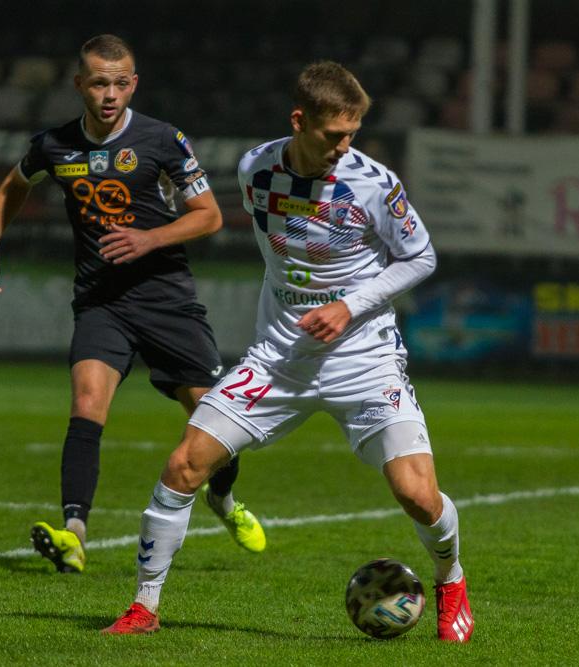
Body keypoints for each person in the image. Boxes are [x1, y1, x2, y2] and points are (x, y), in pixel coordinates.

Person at [103, 61, 473, 642]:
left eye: (352, 134)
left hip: (365, 360)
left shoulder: (375, 184)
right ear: (299, 121)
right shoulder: (256, 168)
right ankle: (144, 606)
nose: (344, 146)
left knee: (417, 495)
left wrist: (348, 305)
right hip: (277, 360)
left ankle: (451, 579)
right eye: (333, 134)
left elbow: (421, 257)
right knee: (184, 466)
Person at [0, 34, 266, 574]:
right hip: (101, 301)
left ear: (133, 84)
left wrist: (149, 238)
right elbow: (14, 185)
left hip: (167, 301)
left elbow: (209, 215)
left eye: (120, 83)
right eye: (99, 83)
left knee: (217, 425)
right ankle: (74, 532)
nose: (109, 94)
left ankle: (223, 499)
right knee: (87, 404)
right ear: (79, 84)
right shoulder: (55, 145)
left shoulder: (163, 139)